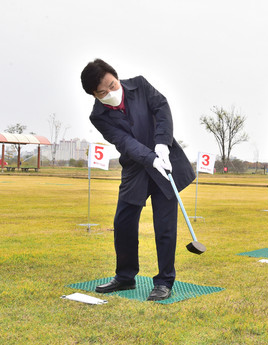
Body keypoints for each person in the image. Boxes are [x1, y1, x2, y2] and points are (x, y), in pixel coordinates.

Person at [80, 59, 195, 301]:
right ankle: (125, 276)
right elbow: (123, 141)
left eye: (112, 85)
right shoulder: (98, 116)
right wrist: (150, 157)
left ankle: (164, 281)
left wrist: (162, 144)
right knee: (123, 222)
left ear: (116, 77)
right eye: (102, 92)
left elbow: (162, 107)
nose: (111, 92)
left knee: (165, 226)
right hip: (136, 168)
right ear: (94, 94)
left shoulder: (140, 86)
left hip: (166, 164)